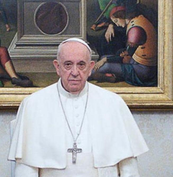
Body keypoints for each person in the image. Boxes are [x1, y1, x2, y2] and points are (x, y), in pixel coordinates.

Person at [8, 38, 148, 177]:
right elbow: (25, 169)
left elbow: (129, 168)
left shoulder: (113, 103)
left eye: (81, 65)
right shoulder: (33, 104)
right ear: (57, 67)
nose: (75, 72)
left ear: (90, 67)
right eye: (68, 65)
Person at [91, 5, 157, 86]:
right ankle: (111, 76)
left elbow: (127, 56)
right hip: (136, 61)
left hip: (143, 69)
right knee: (103, 58)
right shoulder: (137, 20)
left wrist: (105, 60)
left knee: (105, 65)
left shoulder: (135, 30)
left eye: (116, 21)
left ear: (121, 16)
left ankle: (86, 75)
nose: (116, 24)